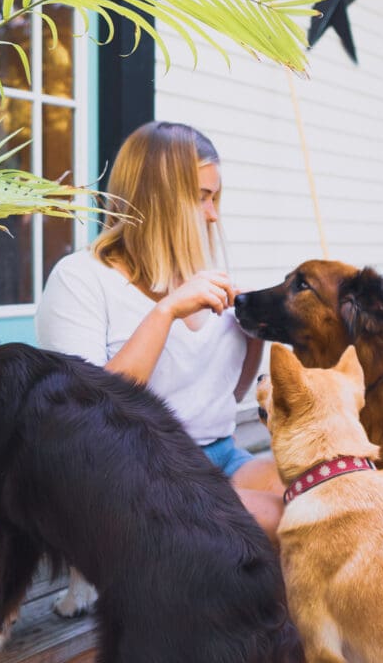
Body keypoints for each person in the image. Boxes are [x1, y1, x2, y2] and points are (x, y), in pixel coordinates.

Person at [35, 121, 284, 616]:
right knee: (279, 522)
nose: (214, 216)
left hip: (217, 459)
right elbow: (87, 412)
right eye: (202, 197)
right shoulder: (81, 280)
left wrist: (256, 337)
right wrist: (165, 312)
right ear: (158, 198)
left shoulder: (207, 283)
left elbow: (225, 396)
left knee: (319, 496)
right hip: (132, 476)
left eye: (217, 199)